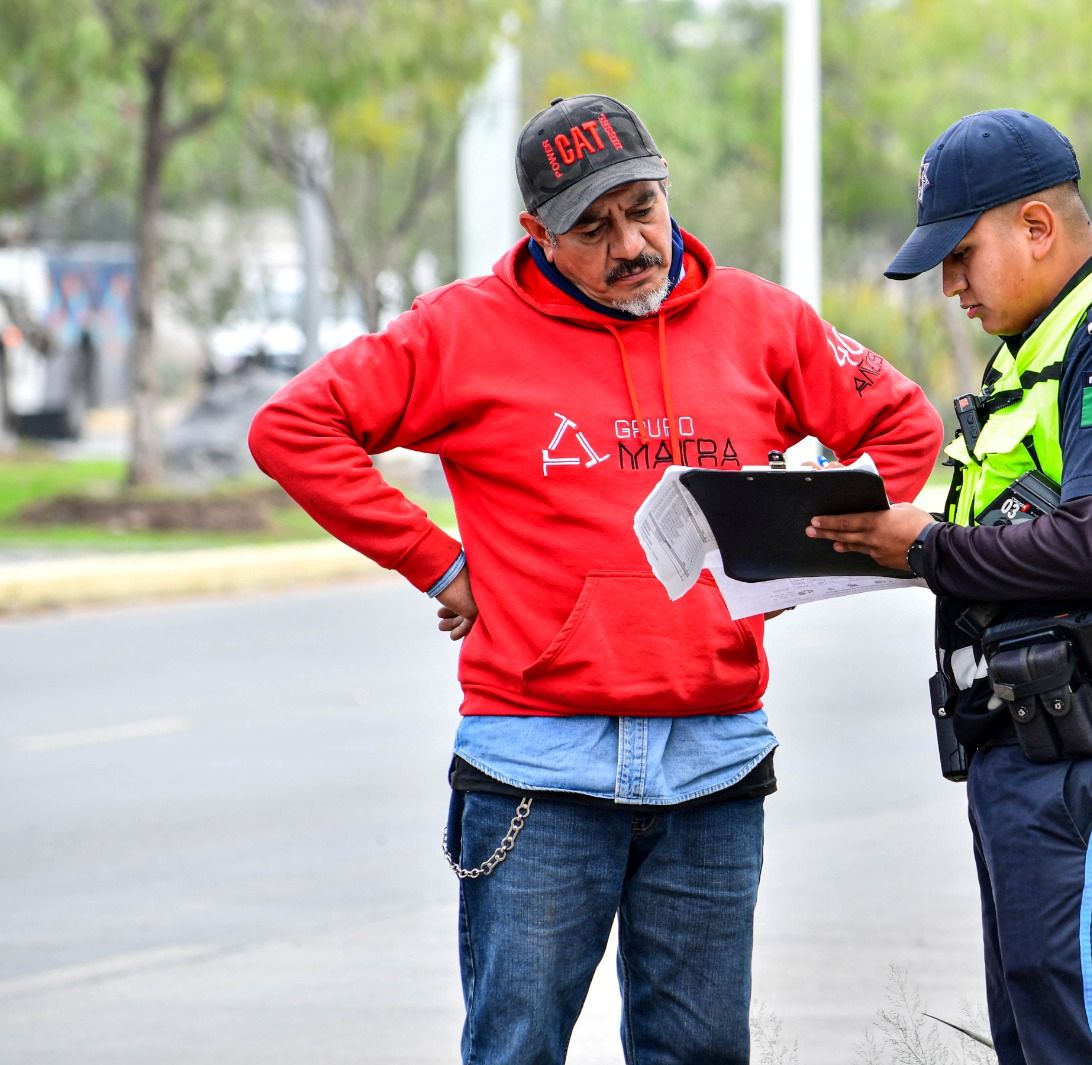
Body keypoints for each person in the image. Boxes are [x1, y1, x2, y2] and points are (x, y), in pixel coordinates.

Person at [248, 93, 943, 1065]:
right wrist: (438, 563)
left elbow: (903, 424)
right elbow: (293, 429)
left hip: (713, 761)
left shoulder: (760, 319)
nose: (630, 245)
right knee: (517, 1050)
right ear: (537, 233)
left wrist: (795, 557)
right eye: (592, 227)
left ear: (665, 190)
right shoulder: (460, 331)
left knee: (700, 1055)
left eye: (643, 209)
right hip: (537, 765)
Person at [807, 109, 1092, 1065]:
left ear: (1037, 226)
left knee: (1083, 1039)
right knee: (1041, 1037)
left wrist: (925, 548)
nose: (950, 285)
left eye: (961, 255)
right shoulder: (1038, 352)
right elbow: (1004, 537)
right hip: (1038, 745)